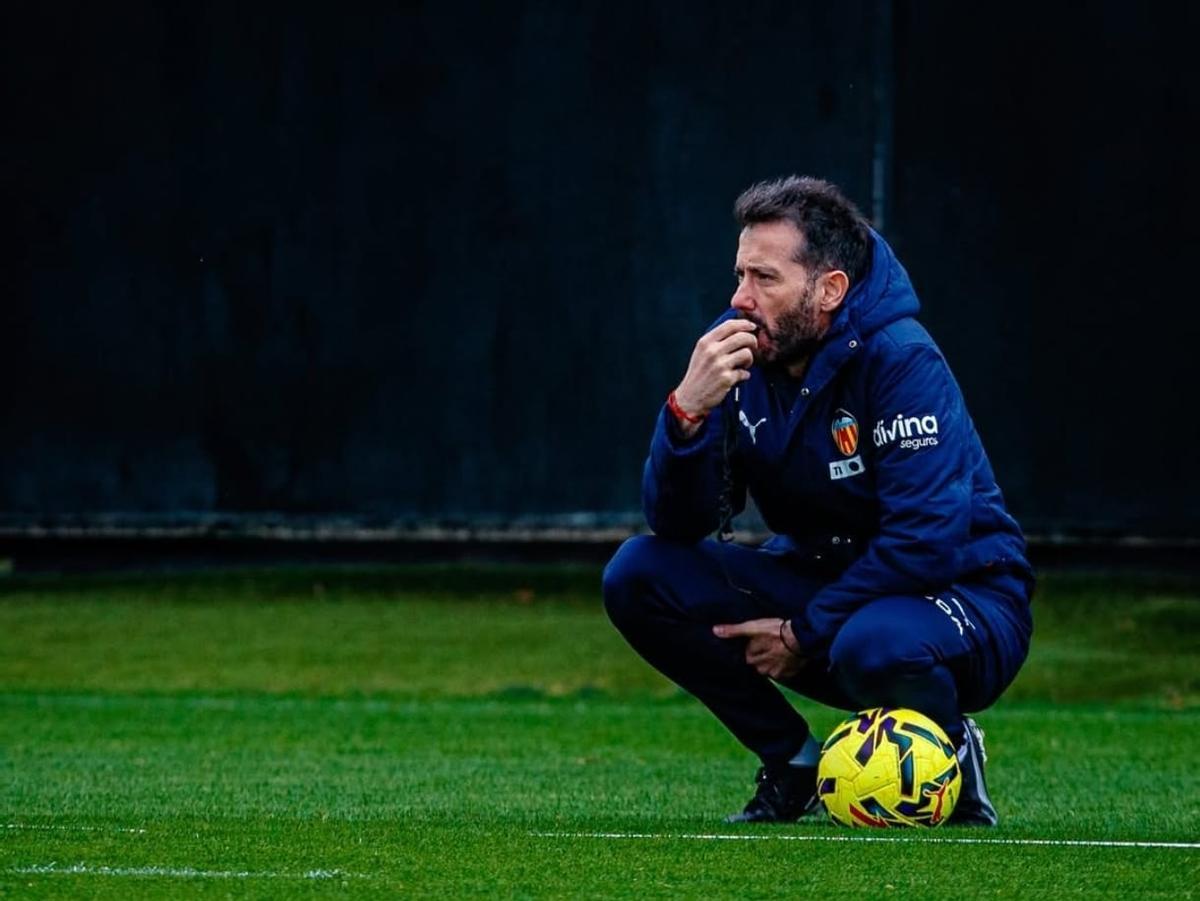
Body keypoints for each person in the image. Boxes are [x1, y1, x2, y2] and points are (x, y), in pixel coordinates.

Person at [602, 175, 1033, 826]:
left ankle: (948, 749)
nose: (739, 298)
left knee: (873, 642)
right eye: (740, 273)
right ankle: (794, 760)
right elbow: (678, 523)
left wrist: (803, 632)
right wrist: (685, 414)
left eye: (764, 278)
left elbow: (925, 541)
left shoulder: (901, 360)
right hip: (833, 588)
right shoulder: (740, 346)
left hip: (964, 597)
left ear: (829, 289)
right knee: (638, 575)